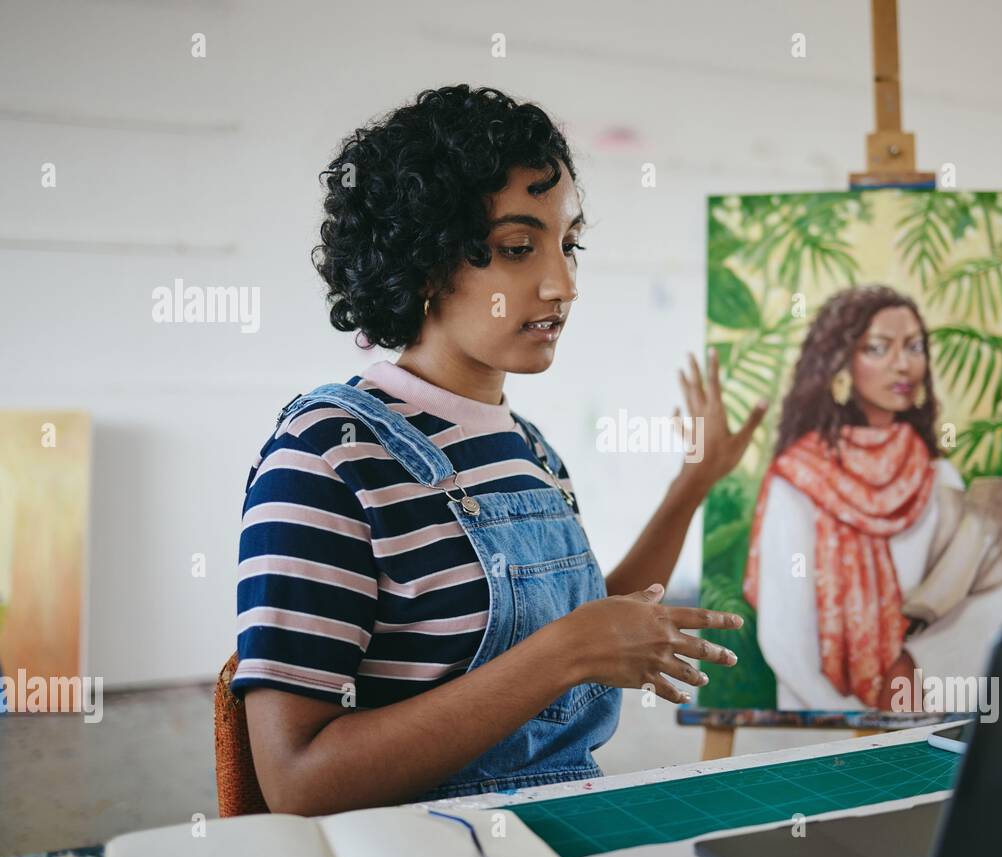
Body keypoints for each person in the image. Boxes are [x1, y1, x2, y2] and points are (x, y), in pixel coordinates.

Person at [233, 85, 765, 815]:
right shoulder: (327, 458)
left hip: (559, 830)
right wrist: (563, 656)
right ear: (422, 262)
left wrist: (694, 483)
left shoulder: (529, 450)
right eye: (519, 248)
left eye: (569, 243)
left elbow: (589, 626)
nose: (564, 283)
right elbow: (299, 783)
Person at [743, 285, 1002, 712]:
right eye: (878, 348)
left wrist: (916, 685)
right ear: (840, 363)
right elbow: (784, 637)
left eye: (914, 347)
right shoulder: (799, 480)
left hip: (927, 719)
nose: (903, 364)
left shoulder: (937, 475)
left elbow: (991, 613)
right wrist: (858, 722)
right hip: (819, 728)